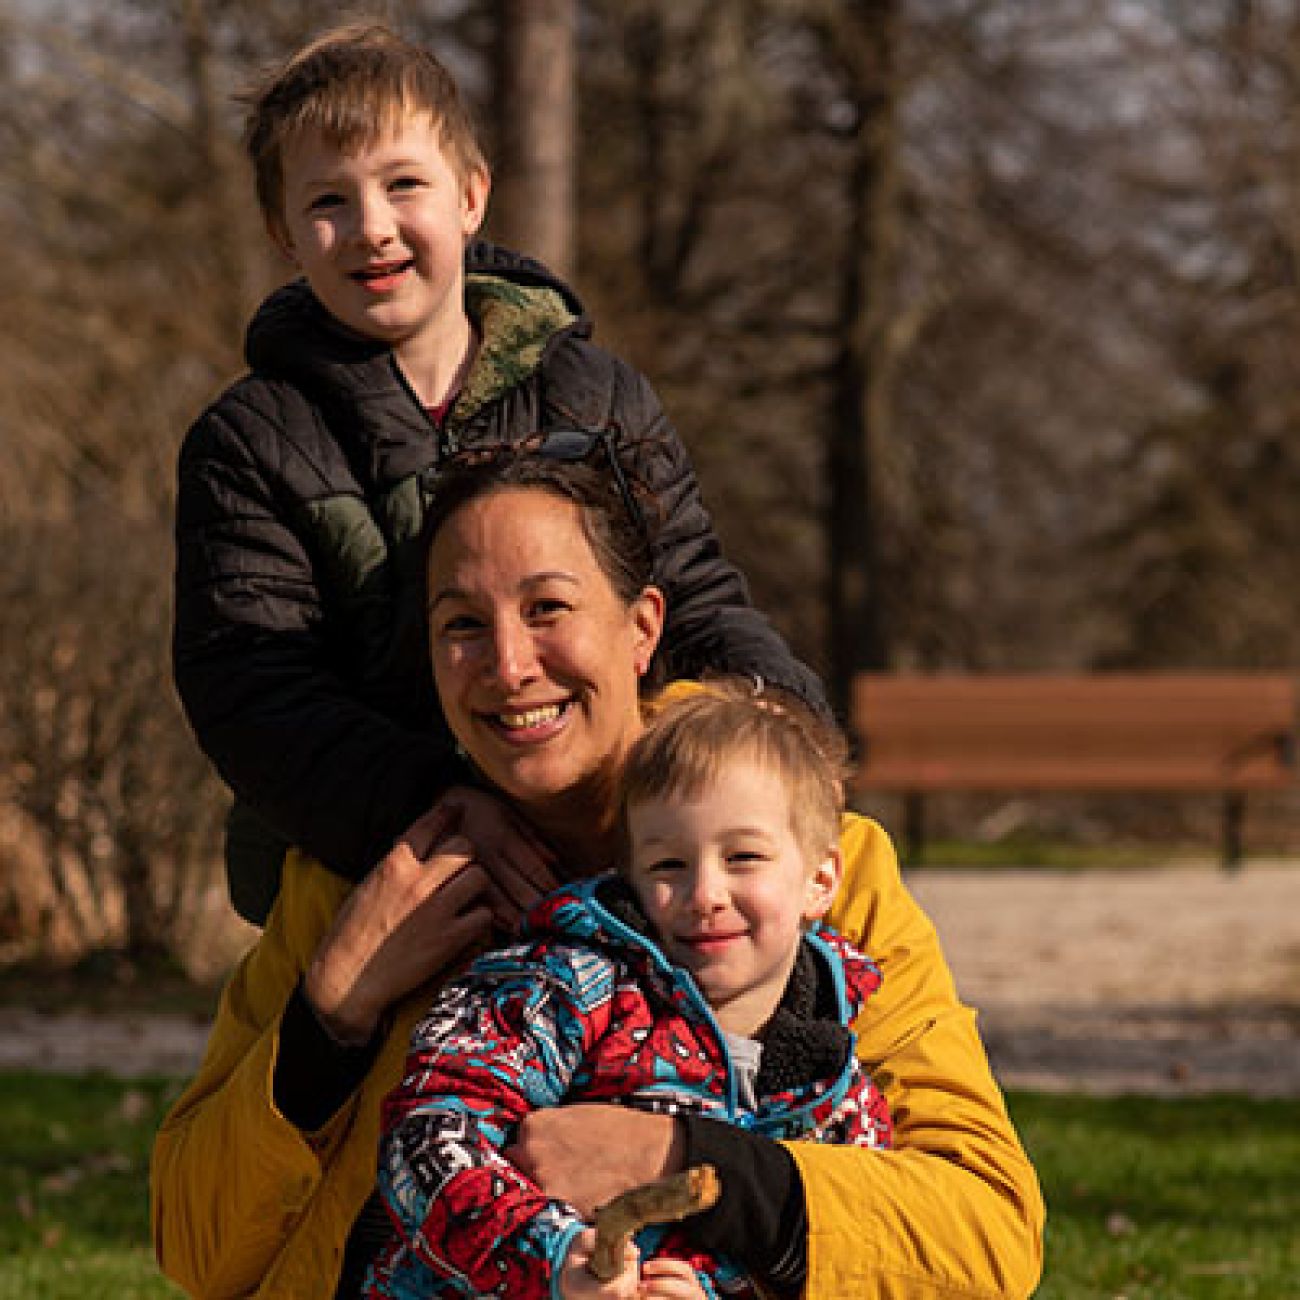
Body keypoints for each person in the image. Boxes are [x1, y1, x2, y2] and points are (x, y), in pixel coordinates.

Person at [151, 451, 1044, 1300]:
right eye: (462, 625)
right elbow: (195, 1251)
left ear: (643, 626)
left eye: (548, 608)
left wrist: (681, 1163)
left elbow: (991, 1235)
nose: (508, 667)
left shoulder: (807, 863)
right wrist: (329, 1018)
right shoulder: (363, 879)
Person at [171, 19, 824, 926]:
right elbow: (252, 691)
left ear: (471, 196)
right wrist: (437, 807)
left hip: (601, 832)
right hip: (382, 864)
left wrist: (784, 727)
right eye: (328, 202)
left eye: (404, 185)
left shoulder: (593, 395)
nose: (372, 229)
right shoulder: (250, 439)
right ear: (284, 232)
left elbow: (695, 592)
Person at [367, 683, 895, 1300]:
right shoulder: (559, 988)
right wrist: (553, 1256)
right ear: (631, 877)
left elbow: (836, 1251)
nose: (705, 894)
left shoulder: (834, 1077)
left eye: (744, 857)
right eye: (669, 865)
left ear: (819, 880)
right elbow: (427, 1131)